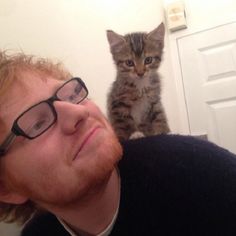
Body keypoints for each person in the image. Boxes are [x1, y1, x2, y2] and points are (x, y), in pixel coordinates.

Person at [0, 51, 236, 236]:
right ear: (6, 189)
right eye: (37, 123)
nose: (78, 113)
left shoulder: (201, 174)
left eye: (71, 95)